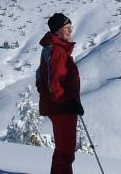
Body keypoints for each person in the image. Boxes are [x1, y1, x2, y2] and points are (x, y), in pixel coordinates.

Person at [36, 13, 83, 174]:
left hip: (60, 106)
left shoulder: (53, 49)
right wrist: (67, 102)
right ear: (57, 31)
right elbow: (54, 83)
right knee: (65, 151)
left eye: (71, 27)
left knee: (64, 149)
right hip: (62, 108)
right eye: (66, 28)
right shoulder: (57, 50)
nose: (70, 31)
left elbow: (40, 78)